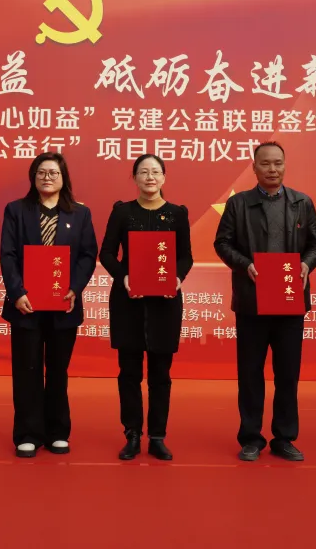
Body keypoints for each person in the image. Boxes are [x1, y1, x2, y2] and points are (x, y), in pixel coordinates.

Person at [214, 141, 316, 462]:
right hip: (252, 301)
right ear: (254, 167)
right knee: (250, 374)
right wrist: (244, 264)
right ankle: (251, 438)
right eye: (265, 164)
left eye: (278, 163)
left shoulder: (302, 203)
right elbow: (222, 243)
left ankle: (284, 437)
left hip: (290, 300)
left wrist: (306, 264)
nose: (272, 169)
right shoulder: (238, 204)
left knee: (287, 373)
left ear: (285, 165)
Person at [0, 153, 98, 458]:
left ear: (63, 177)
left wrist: (74, 288)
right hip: (25, 304)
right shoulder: (17, 210)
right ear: (33, 177)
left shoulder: (80, 213)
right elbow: (8, 254)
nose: (47, 178)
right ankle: (28, 433)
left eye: (53, 173)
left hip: (63, 304)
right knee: (27, 369)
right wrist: (17, 293)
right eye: (41, 172)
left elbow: (87, 255)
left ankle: (57, 431)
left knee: (57, 370)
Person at [100, 154, 192, 461]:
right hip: (128, 300)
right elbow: (107, 253)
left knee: (160, 373)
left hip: (165, 302)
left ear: (164, 177)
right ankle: (132, 434)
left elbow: (185, 256)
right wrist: (123, 276)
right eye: (143, 172)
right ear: (135, 178)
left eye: (155, 172)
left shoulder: (177, 214)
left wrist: (177, 277)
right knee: (129, 371)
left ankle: (157, 436)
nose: (150, 177)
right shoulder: (122, 212)